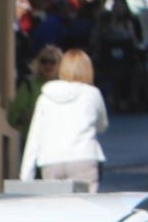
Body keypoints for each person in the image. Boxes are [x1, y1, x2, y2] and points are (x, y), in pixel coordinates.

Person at [19, 50, 109, 192]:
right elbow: (102, 125)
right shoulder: (92, 93)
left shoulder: (46, 96)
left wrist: (26, 176)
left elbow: (35, 136)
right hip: (83, 157)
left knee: (57, 209)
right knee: (85, 209)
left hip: (50, 160)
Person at [7, 45, 64, 133]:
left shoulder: (65, 88)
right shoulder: (29, 85)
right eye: (44, 61)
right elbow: (12, 118)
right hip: (32, 140)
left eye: (52, 62)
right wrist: (27, 117)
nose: (48, 65)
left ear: (60, 65)